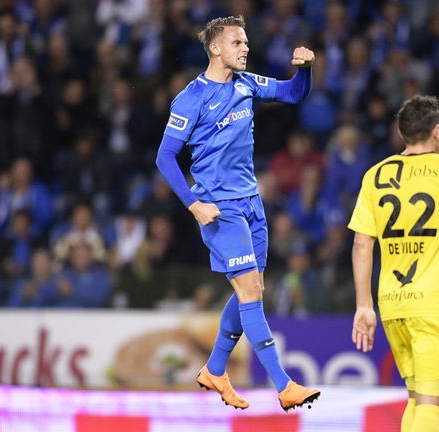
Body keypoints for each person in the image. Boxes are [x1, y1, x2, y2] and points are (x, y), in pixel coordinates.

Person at [155, 15, 320, 411]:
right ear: (215, 48)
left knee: (252, 290)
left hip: (252, 203)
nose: (245, 47)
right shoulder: (191, 98)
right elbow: (165, 157)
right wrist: (194, 205)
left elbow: (294, 93)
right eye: (237, 42)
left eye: (246, 42)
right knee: (250, 292)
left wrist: (306, 70)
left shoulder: (248, 84)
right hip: (219, 208)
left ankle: (214, 369)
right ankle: (284, 385)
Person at [347, 96, 439, 432]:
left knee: (417, 399)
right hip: (434, 304)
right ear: (437, 131)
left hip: (392, 304)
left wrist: (363, 306)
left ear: (403, 134)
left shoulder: (375, 176)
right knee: (431, 404)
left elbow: (361, 243)